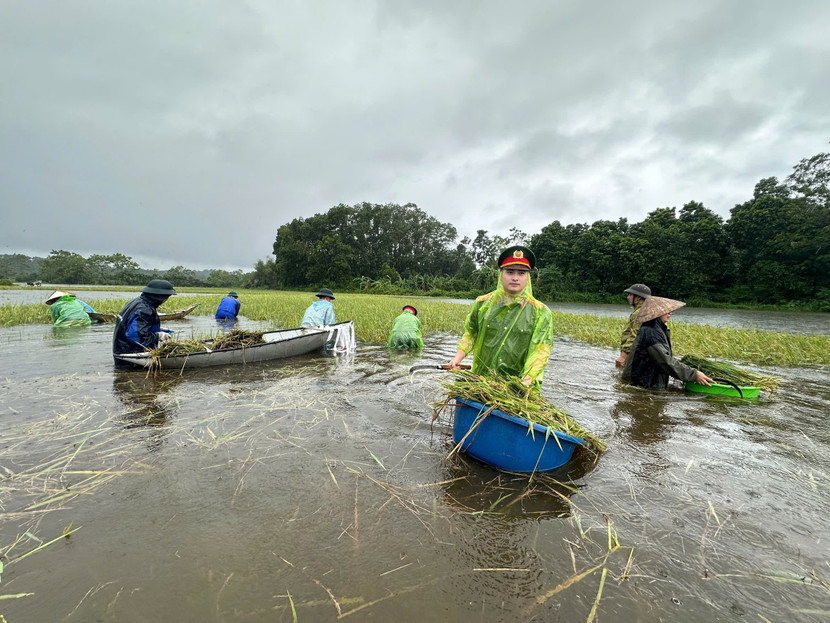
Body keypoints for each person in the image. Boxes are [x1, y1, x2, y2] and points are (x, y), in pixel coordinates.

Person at [448, 246, 554, 387]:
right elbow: (471, 334)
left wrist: (526, 380)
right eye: (510, 272)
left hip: (519, 384)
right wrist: (458, 358)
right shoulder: (482, 304)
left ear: (527, 278)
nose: (515, 278)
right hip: (482, 380)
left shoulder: (540, 311)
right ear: (501, 274)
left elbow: (540, 350)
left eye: (521, 273)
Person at [620, 295, 714, 389]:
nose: (670, 313)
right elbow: (665, 360)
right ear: (656, 313)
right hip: (643, 385)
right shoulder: (651, 332)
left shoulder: (656, 329)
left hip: (645, 383)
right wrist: (694, 374)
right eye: (665, 310)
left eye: (670, 310)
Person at [112, 279, 177, 364]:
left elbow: (137, 326)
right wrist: (158, 336)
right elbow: (135, 335)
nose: (166, 300)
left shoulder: (138, 302)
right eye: (167, 297)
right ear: (160, 297)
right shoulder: (144, 309)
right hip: (131, 357)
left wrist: (160, 330)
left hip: (121, 351)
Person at [615, 283, 651, 368]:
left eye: (630, 295)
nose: (628, 297)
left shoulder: (639, 313)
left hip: (634, 354)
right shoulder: (646, 310)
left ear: (638, 297)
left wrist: (624, 355)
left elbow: (635, 335)